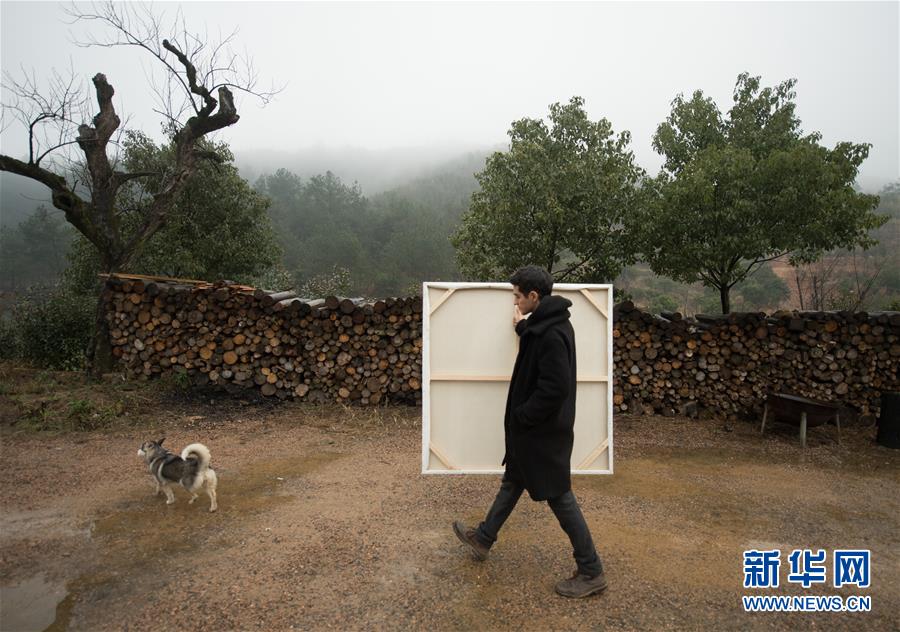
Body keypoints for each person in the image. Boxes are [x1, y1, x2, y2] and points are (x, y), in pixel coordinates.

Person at [452, 265, 607, 598]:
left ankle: (591, 570)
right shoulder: (548, 324)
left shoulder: (552, 333)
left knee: (560, 496)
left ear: (533, 296)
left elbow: (555, 388)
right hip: (534, 433)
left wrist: (523, 416)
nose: (514, 301)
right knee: (513, 481)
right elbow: (536, 339)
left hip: (542, 434)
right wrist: (522, 327)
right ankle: (483, 538)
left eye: (517, 296)